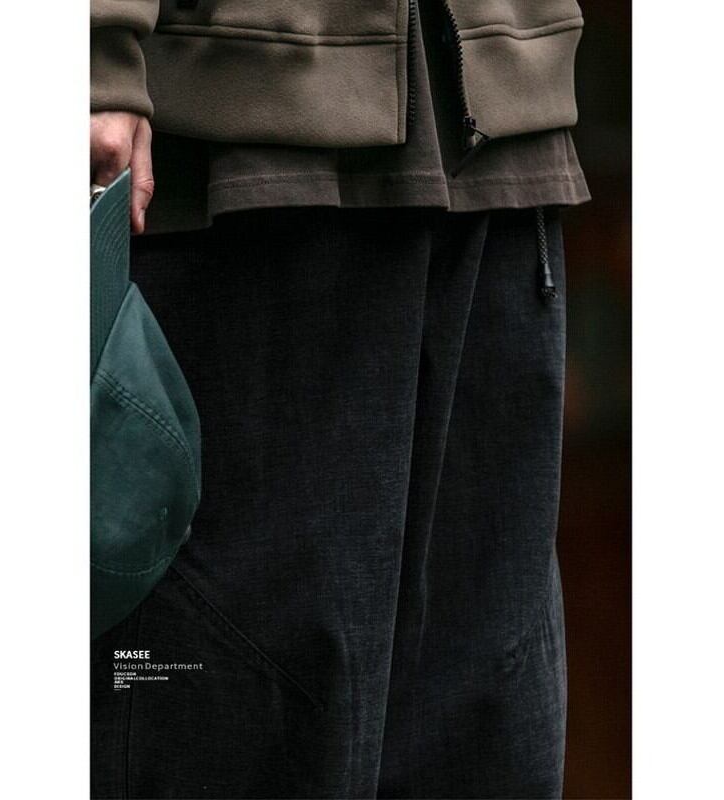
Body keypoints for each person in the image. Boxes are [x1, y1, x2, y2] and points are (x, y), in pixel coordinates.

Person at [90, 1, 590, 797]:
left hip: (499, 138)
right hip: (238, 148)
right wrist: (89, 54)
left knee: (487, 745)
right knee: (233, 734)